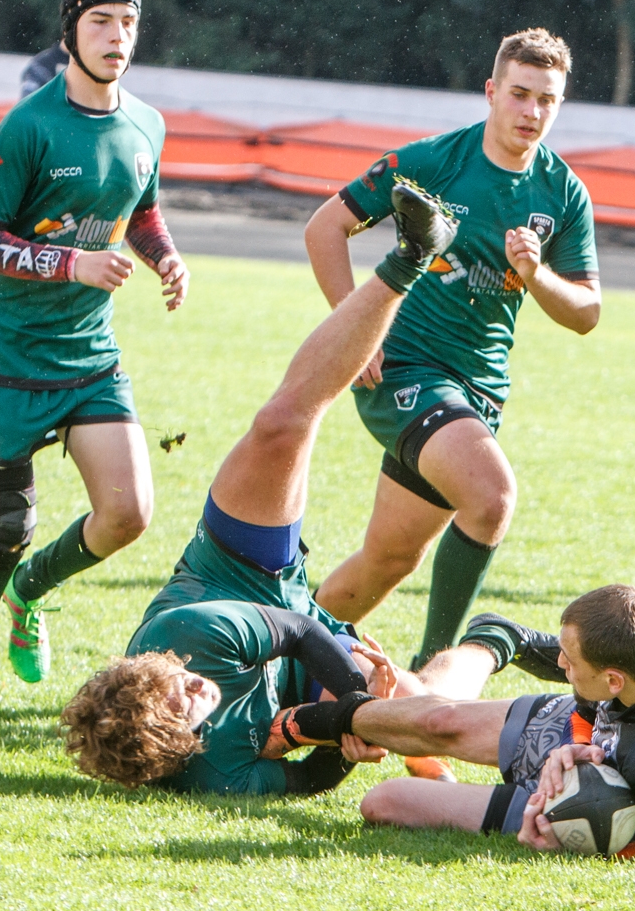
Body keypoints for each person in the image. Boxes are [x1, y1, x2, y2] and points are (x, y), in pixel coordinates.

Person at [61, 180, 461, 795]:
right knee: (427, 714)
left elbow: (297, 631)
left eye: (173, 688)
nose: (191, 691)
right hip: (293, 670)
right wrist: (349, 744)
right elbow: (306, 784)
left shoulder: (188, 640)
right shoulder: (215, 773)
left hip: (235, 577)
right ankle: (497, 641)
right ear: (181, 746)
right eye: (184, 710)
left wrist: (354, 704)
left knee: (282, 425)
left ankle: (413, 255)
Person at [303, 28, 601, 670]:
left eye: (547, 100)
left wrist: (537, 273)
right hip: (406, 372)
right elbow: (325, 227)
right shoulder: (434, 161)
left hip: (480, 393)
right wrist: (357, 329)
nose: (532, 112)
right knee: (492, 497)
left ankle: (280, 645)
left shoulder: (563, 192)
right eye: (519, 95)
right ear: (492, 92)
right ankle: (432, 672)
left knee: (388, 562)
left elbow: (586, 313)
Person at [0, 0, 190, 699]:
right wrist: (69, 264)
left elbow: (139, 208)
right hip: (4, 356)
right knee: (3, 529)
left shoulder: (147, 123)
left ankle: (30, 591)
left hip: (88, 355)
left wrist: (165, 255)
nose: (117, 36)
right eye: (101, 21)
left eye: (128, 23)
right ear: (71, 30)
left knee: (128, 513)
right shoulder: (29, 126)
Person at [343, 586, 635, 859]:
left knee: (384, 801)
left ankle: (438, 776)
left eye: (569, 658)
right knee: (438, 720)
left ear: (614, 680)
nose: (559, 662)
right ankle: (311, 721)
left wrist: (561, 833)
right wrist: (581, 744)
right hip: (588, 737)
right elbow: (589, 679)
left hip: (597, 800)